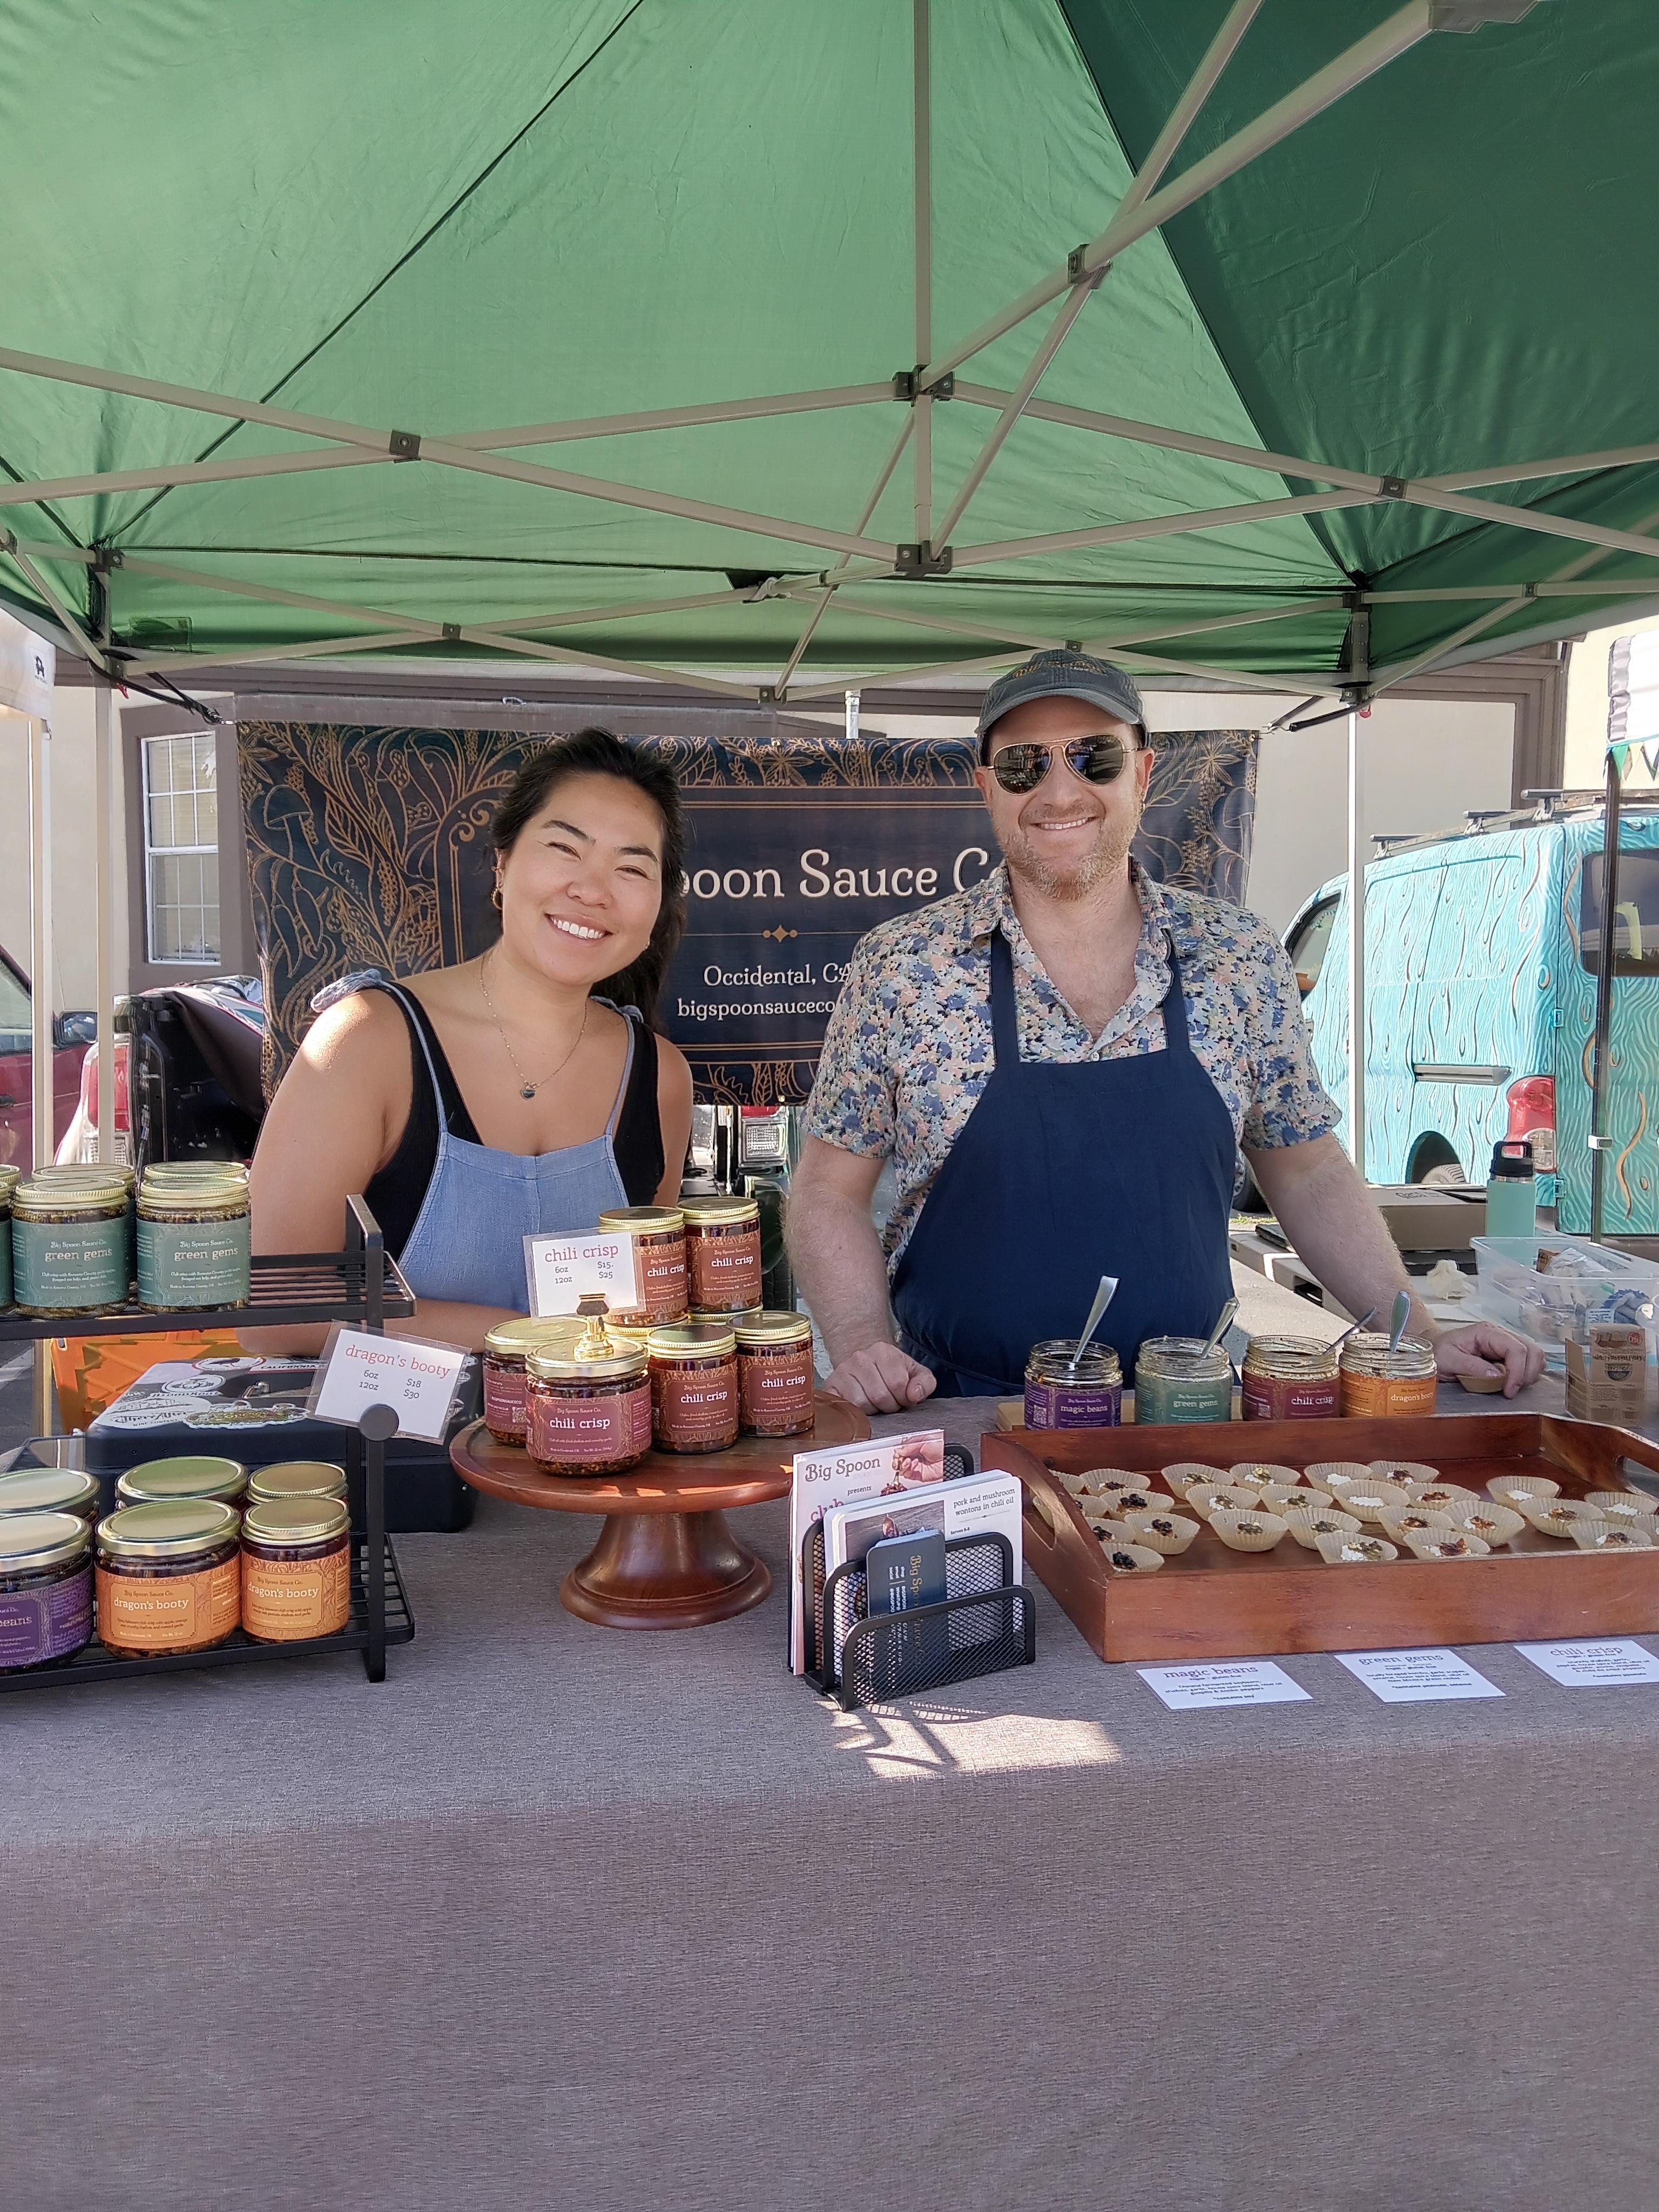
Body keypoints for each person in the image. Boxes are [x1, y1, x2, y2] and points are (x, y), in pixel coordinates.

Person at [786, 649, 1545, 1414]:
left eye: (1094, 757)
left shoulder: (1239, 958)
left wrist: (1411, 1332)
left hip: (1188, 1415)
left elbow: (1307, 1172)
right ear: (986, 787)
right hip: (960, 1414)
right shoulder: (902, 969)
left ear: (1142, 775)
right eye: (1024, 765)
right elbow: (827, 1192)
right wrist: (862, 1348)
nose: (1060, 790)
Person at [247, 729, 694, 1350]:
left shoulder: (659, 1076)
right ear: (503, 864)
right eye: (566, 849)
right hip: (391, 1440)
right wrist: (530, 1338)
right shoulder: (369, 1040)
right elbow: (276, 1313)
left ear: (656, 906)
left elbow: (650, 1302)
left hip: (597, 1440)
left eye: (630, 867)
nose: (592, 891)